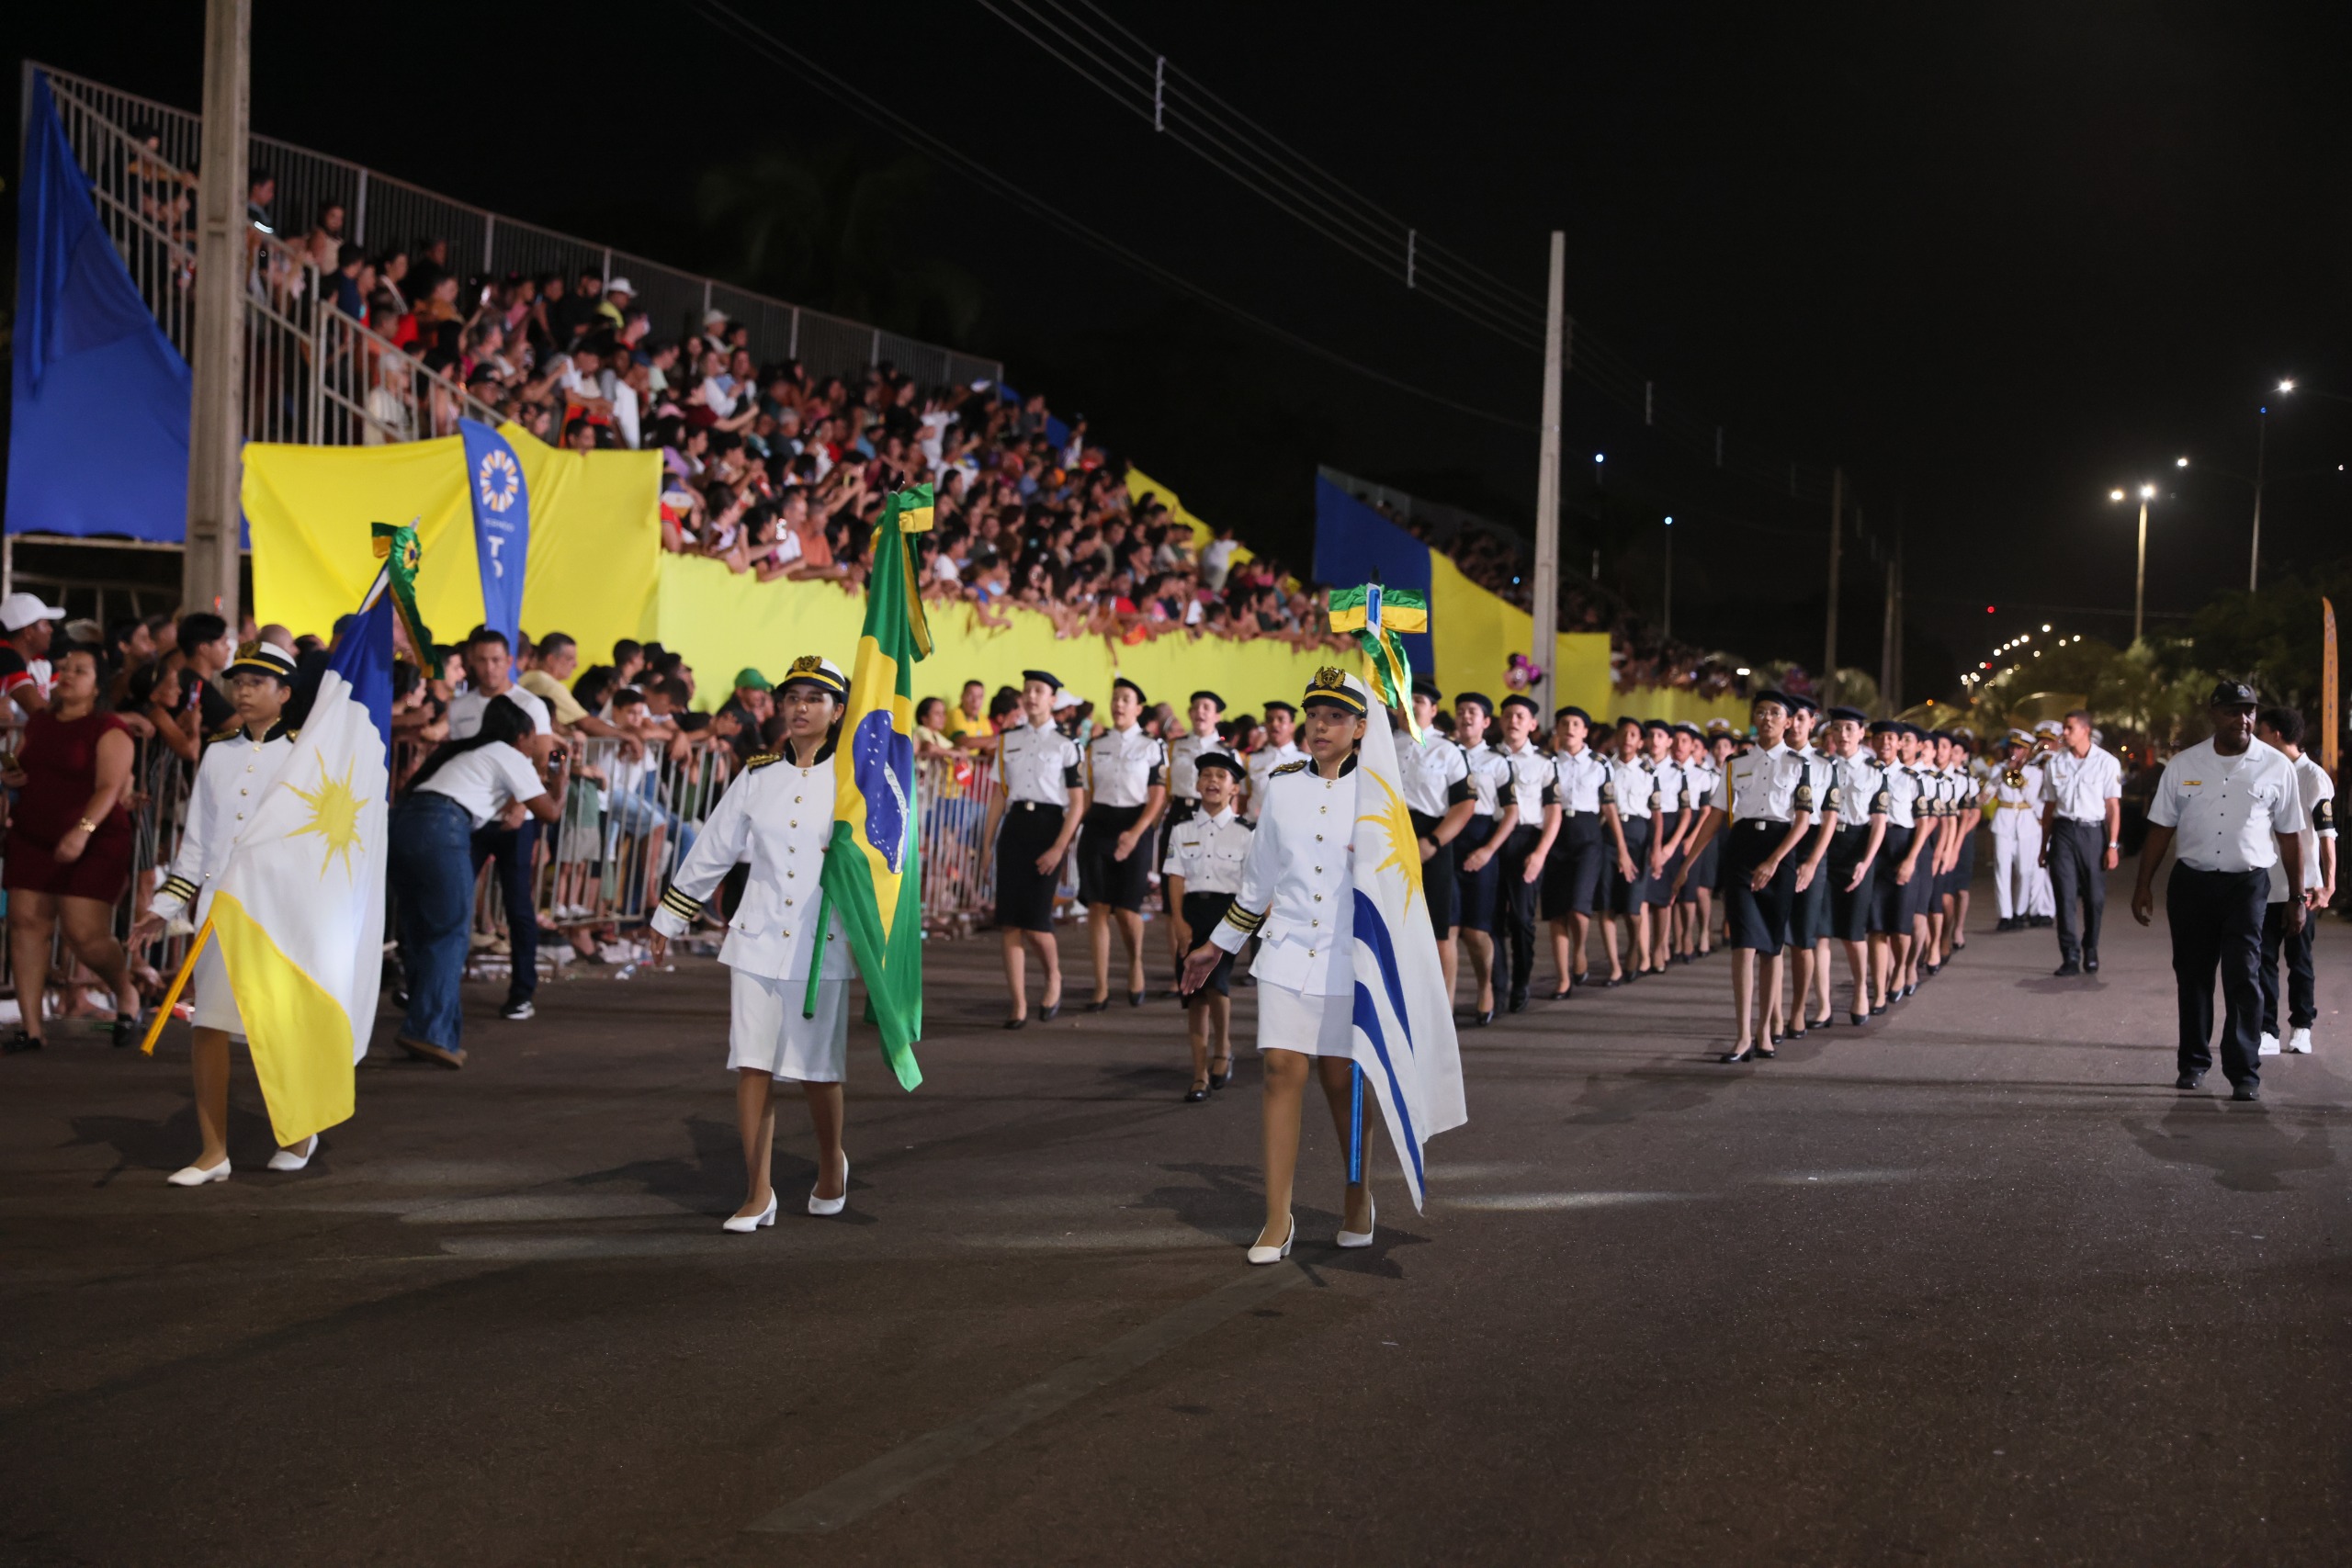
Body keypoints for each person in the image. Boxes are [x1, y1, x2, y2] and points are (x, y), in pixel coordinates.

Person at [650, 657, 858, 1227]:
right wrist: (670, 916)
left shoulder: (855, 780)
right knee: (752, 1063)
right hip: (757, 935)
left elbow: (890, 857)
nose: (799, 707)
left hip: (824, 941)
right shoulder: (758, 774)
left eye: (814, 699)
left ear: (838, 711)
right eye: (792, 697)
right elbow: (715, 846)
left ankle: (831, 1164)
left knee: (817, 1070)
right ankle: (759, 1191)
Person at [1181, 669, 1378, 1261]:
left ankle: (1357, 1196)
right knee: (1279, 1072)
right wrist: (1217, 944)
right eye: (1314, 714)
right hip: (1288, 949)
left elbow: (1399, 888)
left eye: (1337, 716)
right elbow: (1257, 881)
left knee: (1342, 1080)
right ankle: (1276, 1218)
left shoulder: (1377, 792)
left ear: (1361, 728)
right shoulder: (1283, 784)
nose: (1320, 725)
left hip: (1349, 955)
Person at [131, 643, 311, 1181]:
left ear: (285, 693)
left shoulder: (308, 753)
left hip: (281, 912)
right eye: (238, 681)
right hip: (217, 911)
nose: (243, 690)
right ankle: (213, 1153)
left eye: (258, 682)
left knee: (277, 1026)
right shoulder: (217, 752)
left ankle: (301, 1130)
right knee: (208, 1026)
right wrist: (164, 905)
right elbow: (199, 845)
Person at [2131, 682, 2310, 1101]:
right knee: (2193, 976)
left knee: (2244, 976)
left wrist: (2298, 898)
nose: (2242, 719)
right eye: (2232, 711)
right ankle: (2193, 1063)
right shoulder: (2184, 764)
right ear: (2213, 714)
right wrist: (2143, 885)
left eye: (2248, 711)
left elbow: (2290, 837)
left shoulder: (2275, 766)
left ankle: (2244, 1071)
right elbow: (2161, 828)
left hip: (2247, 886)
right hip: (2192, 883)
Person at [388, 696, 565, 1068]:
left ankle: (430, 1030)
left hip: (404, 824)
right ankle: (430, 1033)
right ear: (522, 736)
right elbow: (549, 812)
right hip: (442, 826)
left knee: (422, 930)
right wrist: (561, 776)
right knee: (450, 932)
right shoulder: (508, 754)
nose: (536, 746)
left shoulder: (465, 752)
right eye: (534, 737)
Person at [1, 645, 141, 1053]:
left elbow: (109, 787)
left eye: (80, 670)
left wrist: (81, 831)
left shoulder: (109, 728)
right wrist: (12, 777)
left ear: (98, 684)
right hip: (33, 836)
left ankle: (124, 991)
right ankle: (31, 1029)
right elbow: (22, 763)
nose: (68, 674)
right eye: (64, 668)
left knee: (85, 933)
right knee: (26, 922)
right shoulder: (41, 722)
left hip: (94, 838)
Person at [1676, 691, 1814, 1061]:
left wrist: (1774, 860)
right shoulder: (1736, 764)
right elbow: (1716, 816)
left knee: (1771, 946)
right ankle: (1741, 1036)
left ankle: (1766, 1030)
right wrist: (1688, 863)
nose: (1767, 718)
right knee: (1743, 944)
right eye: (1761, 712)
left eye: (1775, 713)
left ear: (1788, 722)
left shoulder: (1800, 765)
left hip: (1779, 852)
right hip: (1741, 852)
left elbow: (1802, 821)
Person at [447, 629, 556, 1020]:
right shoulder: (460, 708)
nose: (490, 668)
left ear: (509, 661)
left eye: (497, 660)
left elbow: (542, 759)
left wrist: (517, 803)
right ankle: (439, 986)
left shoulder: (529, 704)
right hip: (470, 818)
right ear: (471, 662)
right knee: (453, 901)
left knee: (517, 906)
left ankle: (522, 991)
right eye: (482, 660)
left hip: (516, 820)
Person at [982, 671, 1083, 1027]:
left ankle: (1053, 975)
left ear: (1053, 699)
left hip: (1048, 827)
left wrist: (1059, 847)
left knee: (1037, 922)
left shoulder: (1067, 743)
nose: (1032, 696)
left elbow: (1077, 803)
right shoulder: (1008, 739)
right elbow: (998, 794)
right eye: (1027, 691)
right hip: (1015, 829)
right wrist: (987, 845)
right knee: (1010, 922)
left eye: (1039, 691)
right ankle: (1019, 1003)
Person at [1162, 752, 1251, 1100]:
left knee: (1217, 983)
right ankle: (1198, 1074)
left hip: (1228, 916)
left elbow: (1252, 884)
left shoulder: (1246, 832)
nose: (1213, 781)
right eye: (1206, 775)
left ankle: (1223, 1048)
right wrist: (1178, 922)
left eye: (1221, 776)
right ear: (1197, 784)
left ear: (1234, 788)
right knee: (1194, 994)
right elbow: (1175, 878)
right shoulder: (1182, 828)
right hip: (1192, 914)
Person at [1079, 677, 1167, 1010]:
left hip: (1136, 823)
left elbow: (1157, 796)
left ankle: (1135, 964)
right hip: (1099, 825)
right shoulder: (1096, 744)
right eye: (1115, 698)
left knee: (1128, 910)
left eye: (1125, 699)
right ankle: (1100, 985)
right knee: (1098, 907)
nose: (1118, 704)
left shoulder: (1151, 746)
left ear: (1138, 708)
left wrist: (1136, 832)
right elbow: (1086, 793)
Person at [2254, 706, 2335, 1056]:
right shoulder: (2265, 772)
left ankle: (2302, 1027)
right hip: (2266, 881)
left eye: (2261, 731)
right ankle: (2267, 1029)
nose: (2256, 737)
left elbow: (2327, 834)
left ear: (2275, 734)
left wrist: (2328, 883)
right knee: (2263, 959)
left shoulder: (2313, 777)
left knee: (2300, 960)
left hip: (2303, 886)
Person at [1396, 679, 1475, 999]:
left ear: (1433, 710)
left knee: (1439, 931)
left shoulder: (1447, 750)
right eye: (1404, 700)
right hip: (1390, 837)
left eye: (1418, 701)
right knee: (1396, 928)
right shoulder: (1382, 745)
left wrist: (1434, 842)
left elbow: (1465, 805)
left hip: (1432, 839)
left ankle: (1444, 1005)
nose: (1410, 706)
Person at [1816, 707, 1888, 1026]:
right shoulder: (1822, 767)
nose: (1843, 735)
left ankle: (1861, 990)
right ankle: (1823, 1005)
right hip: (1825, 849)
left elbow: (1879, 823)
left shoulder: (1875, 771)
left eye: (1849, 729)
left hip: (1857, 850)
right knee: (1819, 932)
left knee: (1853, 933)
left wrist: (1865, 862)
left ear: (1861, 734)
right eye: (1837, 729)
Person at [2040, 708, 2122, 977]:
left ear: (2085, 730)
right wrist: (2044, 847)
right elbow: (2049, 807)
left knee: (2095, 898)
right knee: (2064, 897)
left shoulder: (2106, 762)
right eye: (2063, 728)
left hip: (2092, 833)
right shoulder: (2055, 764)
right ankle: (2070, 955)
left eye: (2069, 728)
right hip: (2063, 832)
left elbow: (2112, 807)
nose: (2063, 733)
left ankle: (2091, 947)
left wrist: (2112, 845)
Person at [1451, 693, 1517, 1025]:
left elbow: (1511, 813)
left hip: (1481, 843)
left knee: (1476, 932)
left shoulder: (1497, 761)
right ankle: (1444, 1004)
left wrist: (1489, 850)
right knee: (1446, 930)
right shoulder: (1443, 754)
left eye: (1473, 712)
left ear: (1486, 722)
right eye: (1460, 711)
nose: (1465, 717)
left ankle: (1484, 988)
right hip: (1448, 843)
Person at [1492, 694, 1561, 1011]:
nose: (1513, 721)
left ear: (1532, 724)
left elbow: (1553, 812)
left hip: (1526, 841)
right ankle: (1496, 985)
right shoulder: (1486, 757)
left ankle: (1521, 981)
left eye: (1520, 716)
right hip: (1490, 839)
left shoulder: (1545, 763)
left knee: (1521, 919)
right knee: (1489, 920)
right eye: (1508, 715)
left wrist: (1540, 853)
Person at [1541, 705, 1610, 996]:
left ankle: (1579, 952)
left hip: (1587, 835)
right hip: (1555, 834)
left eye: (1576, 724)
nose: (1570, 728)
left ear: (1585, 731)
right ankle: (1563, 978)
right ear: (1557, 729)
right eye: (1564, 723)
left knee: (1580, 910)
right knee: (1557, 911)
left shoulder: (1599, 763)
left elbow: (1609, 807)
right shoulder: (1546, 763)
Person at [1596, 717, 1656, 985]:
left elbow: (1656, 813)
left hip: (1638, 836)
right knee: (1607, 906)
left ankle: (1633, 950)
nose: (1627, 738)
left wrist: (1656, 848)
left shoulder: (1648, 771)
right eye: (1623, 733)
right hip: (1609, 836)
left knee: (1633, 909)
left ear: (1640, 742)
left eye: (1633, 734)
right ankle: (1614, 967)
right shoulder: (1604, 768)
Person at [1988, 731, 2047, 931]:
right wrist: (2000, 775)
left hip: (2026, 824)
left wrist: (2018, 777)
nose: (2014, 751)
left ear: (2027, 751)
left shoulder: (2035, 773)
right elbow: (1985, 796)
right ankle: (2005, 915)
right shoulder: (1998, 768)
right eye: (2012, 747)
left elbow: (2032, 799)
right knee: (2002, 870)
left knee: (2024, 870)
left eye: (2020, 748)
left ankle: (2020, 912)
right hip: (2003, 821)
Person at [0, 591, 67, 721]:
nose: (51, 629)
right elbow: (39, 713)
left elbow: (64, 700)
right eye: (46, 624)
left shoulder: (41, 662)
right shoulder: (4, 656)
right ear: (28, 632)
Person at [1243, 699, 1306, 819]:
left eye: (1281, 720)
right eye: (1269, 720)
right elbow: (1243, 799)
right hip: (1255, 829)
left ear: (1292, 726)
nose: (1274, 724)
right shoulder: (1251, 760)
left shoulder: (1306, 761)